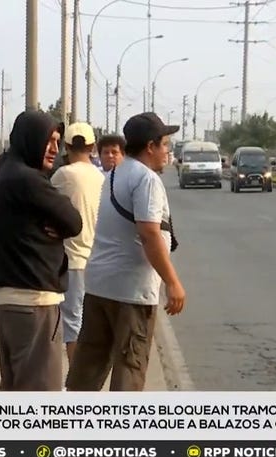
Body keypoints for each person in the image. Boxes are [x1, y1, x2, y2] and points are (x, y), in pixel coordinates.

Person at [0, 111, 82, 457]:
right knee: (37, 388)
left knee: (14, 384)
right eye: (49, 140)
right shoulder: (28, 181)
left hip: (11, 298)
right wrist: (56, 223)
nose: (54, 149)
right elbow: (73, 221)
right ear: (30, 139)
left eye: (58, 142)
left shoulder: (8, 174)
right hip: (32, 298)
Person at [66, 112, 186, 393]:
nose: (167, 152)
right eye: (165, 144)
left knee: (87, 371)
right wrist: (172, 281)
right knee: (129, 372)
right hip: (130, 293)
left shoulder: (114, 173)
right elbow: (149, 233)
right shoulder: (146, 180)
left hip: (99, 286)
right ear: (150, 146)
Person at [50, 122, 104, 368]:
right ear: (93, 147)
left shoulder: (63, 175)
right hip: (97, 259)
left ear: (67, 147)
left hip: (72, 258)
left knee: (73, 321)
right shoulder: (102, 177)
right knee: (90, 322)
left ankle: (76, 379)